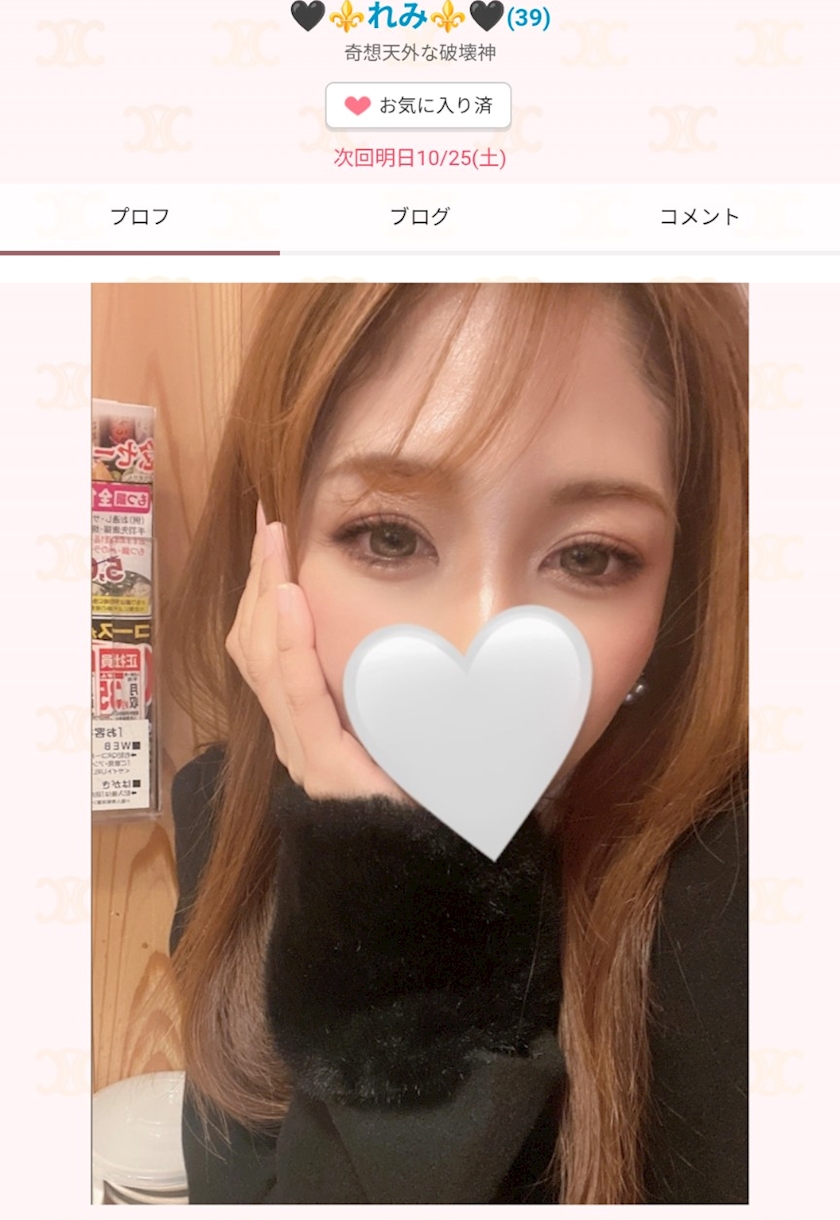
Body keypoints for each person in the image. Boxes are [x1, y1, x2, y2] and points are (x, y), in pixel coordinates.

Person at [164, 282, 747, 1205]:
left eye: (590, 556)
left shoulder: (737, 890)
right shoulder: (223, 812)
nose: (480, 640)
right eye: (389, 536)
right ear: (270, 553)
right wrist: (382, 878)